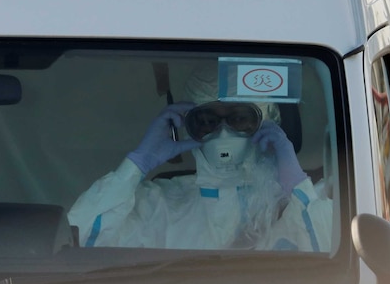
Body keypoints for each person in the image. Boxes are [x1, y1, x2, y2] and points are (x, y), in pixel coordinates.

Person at [68, 65, 332, 252]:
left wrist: (296, 187)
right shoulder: (159, 204)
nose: (224, 133)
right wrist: (135, 165)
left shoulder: (304, 205)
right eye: (208, 121)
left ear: (265, 122)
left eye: (240, 118)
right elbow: (79, 243)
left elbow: (332, 263)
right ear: (189, 125)